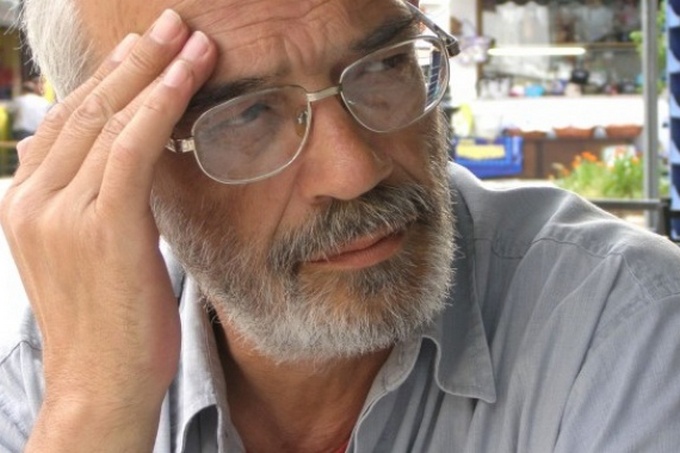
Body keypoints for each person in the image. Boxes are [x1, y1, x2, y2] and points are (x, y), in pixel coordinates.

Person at [0, 0, 679, 451]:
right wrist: (97, 410)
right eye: (245, 115)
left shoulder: (618, 327)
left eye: (383, 66)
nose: (353, 170)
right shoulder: (51, 377)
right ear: (116, 171)